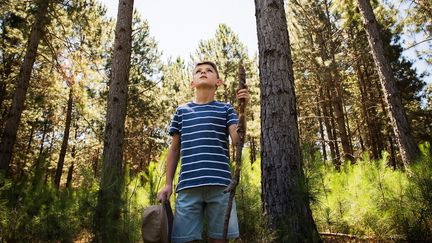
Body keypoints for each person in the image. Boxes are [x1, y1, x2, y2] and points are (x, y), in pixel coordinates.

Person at [157, 61, 249, 243]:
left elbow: (238, 139)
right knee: (184, 239)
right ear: (192, 83)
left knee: (219, 239)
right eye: (198, 71)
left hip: (221, 186)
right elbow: (174, 149)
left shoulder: (226, 109)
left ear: (218, 82)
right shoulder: (181, 111)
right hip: (188, 187)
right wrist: (168, 184)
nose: (203, 72)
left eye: (209, 70)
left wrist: (243, 109)